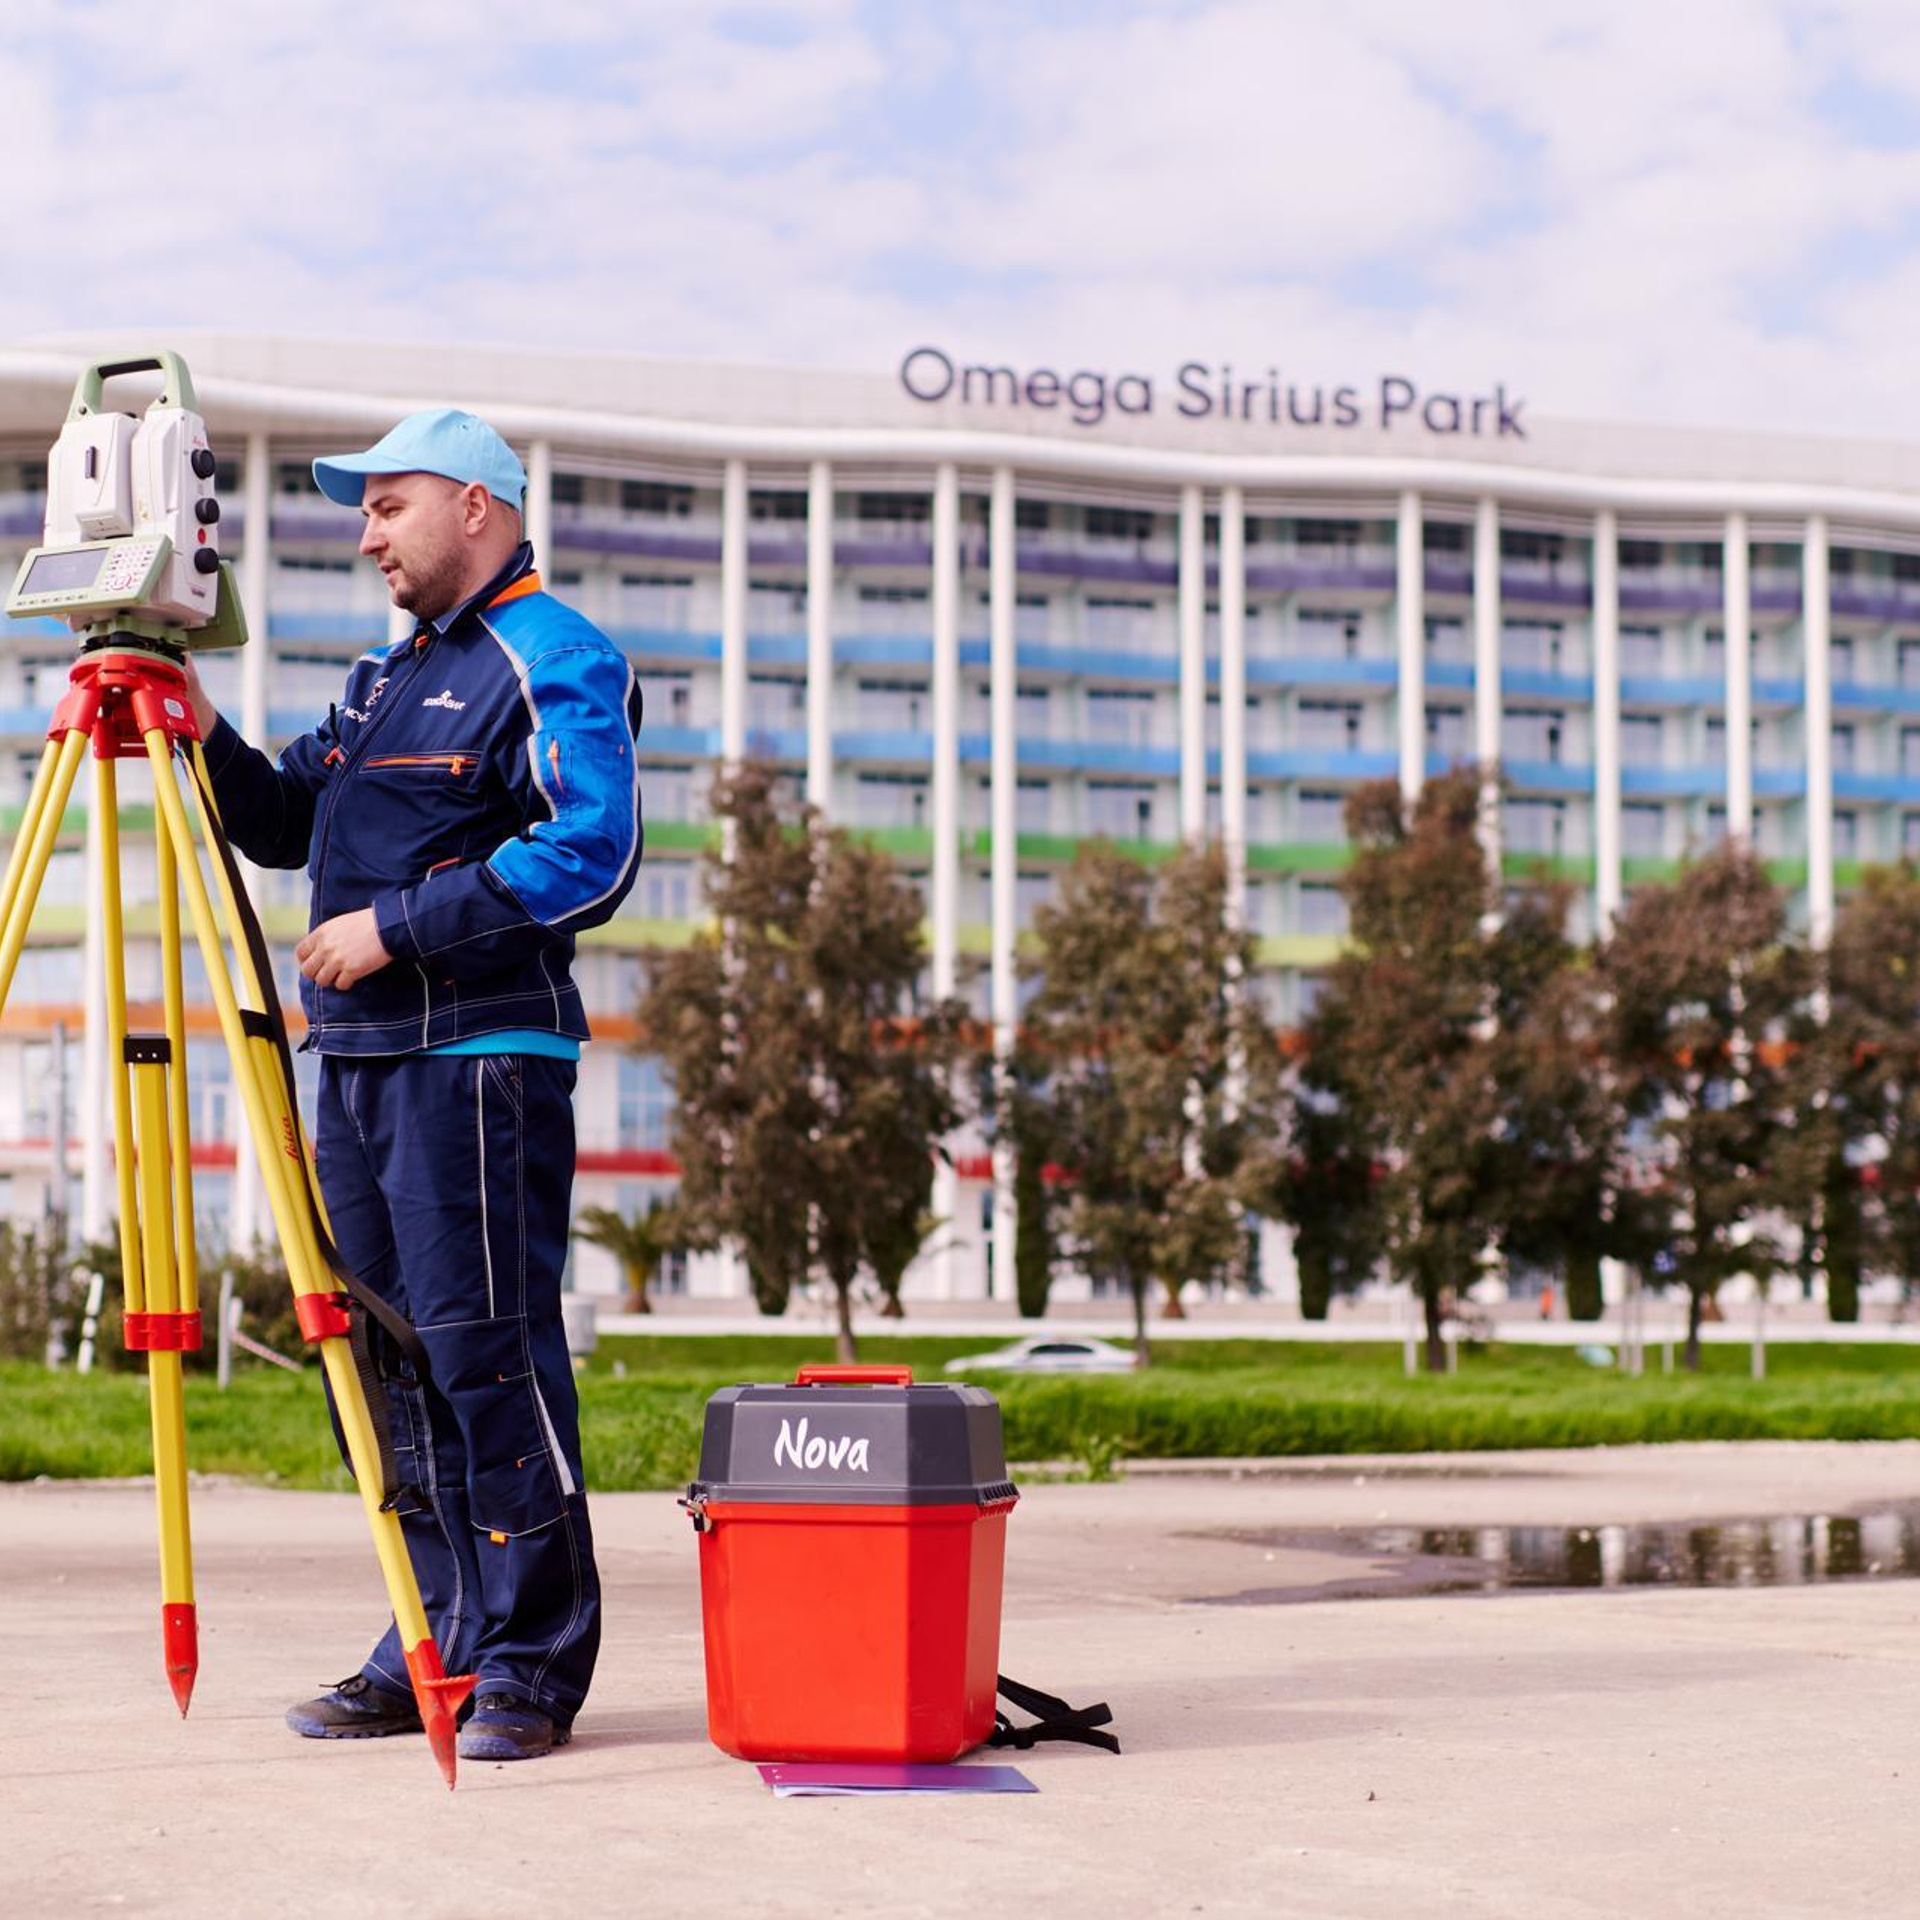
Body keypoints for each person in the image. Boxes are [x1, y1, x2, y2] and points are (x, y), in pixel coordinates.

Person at [184, 408, 643, 1761]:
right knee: (382, 1374)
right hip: (362, 1074)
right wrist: (192, 714)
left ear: (478, 508)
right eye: (363, 510)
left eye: (390, 506)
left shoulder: (555, 656)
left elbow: (595, 852)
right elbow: (279, 822)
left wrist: (398, 927)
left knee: (486, 1361)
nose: (368, 533)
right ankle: (429, 1637)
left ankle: (530, 1667)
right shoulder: (384, 682)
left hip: (481, 1069)